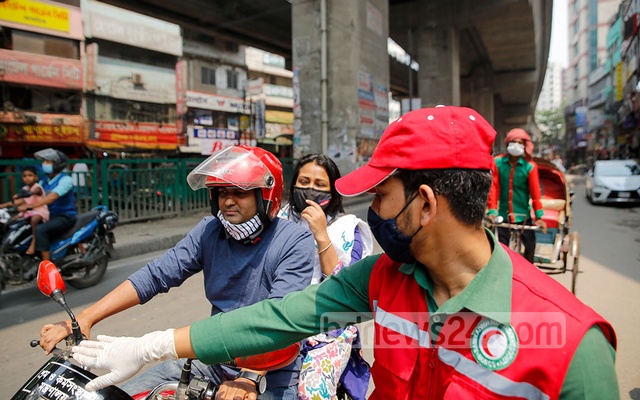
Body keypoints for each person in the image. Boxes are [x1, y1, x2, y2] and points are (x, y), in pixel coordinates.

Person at [71, 107, 619, 400]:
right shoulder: (383, 281)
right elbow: (278, 319)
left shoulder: (572, 343)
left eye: (380, 196)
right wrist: (149, 347)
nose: (372, 210)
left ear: (424, 204)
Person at [41, 145, 315, 399]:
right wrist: (85, 318)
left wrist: (250, 377)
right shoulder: (210, 231)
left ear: (266, 195)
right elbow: (156, 275)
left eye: (240, 192)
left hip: (271, 371)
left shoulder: (293, 240)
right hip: (214, 358)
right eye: (222, 192)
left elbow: (280, 320)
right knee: (120, 395)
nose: (228, 202)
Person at [279, 154, 373, 399]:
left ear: (333, 191)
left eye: (320, 185)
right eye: (304, 181)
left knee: (312, 391)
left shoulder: (349, 229)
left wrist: (321, 234)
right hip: (279, 317)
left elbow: (346, 291)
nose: (310, 190)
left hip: (328, 326)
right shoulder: (277, 220)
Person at [487, 128, 547, 263]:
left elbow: (535, 194)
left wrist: (539, 217)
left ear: (524, 146)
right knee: (499, 247)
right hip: (503, 214)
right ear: (508, 143)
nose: (516, 145)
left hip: (523, 215)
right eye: (513, 142)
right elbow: (494, 189)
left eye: (519, 142)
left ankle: (529, 274)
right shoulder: (497, 163)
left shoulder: (530, 167)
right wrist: (492, 211)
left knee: (530, 245)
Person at [17, 149, 76, 261]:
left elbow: (52, 197)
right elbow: (31, 194)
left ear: (58, 164)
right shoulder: (44, 181)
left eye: (48, 162)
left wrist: (31, 207)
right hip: (48, 216)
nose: (45, 164)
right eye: (44, 161)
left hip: (64, 216)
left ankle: (48, 266)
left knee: (40, 230)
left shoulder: (66, 180)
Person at [0, 166, 50, 255]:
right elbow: (18, 202)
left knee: (34, 220)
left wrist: (23, 194)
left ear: (36, 177)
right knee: (12, 221)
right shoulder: (25, 189)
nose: (27, 178)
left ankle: (33, 243)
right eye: (25, 176)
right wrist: (3, 205)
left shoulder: (37, 187)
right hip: (28, 212)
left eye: (30, 175)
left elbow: (35, 192)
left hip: (40, 211)